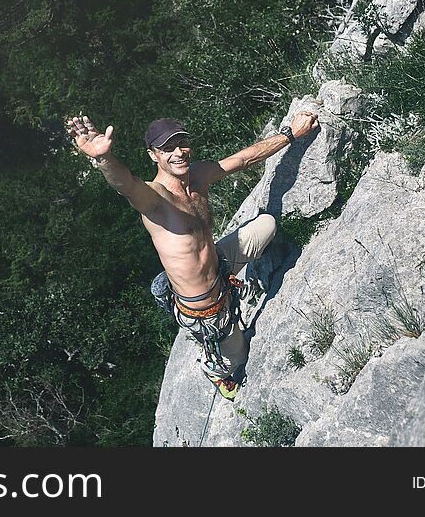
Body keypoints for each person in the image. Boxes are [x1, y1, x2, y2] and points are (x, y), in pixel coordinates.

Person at [66, 111, 319, 399]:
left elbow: (244, 159)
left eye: (181, 143)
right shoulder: (156, 199)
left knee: (267, 225)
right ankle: (214, 369)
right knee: (237, 359)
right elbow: (127, 185)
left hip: (220, 264)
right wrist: (103, 159)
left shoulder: (198, 176)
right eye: (167, 148)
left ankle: (237, 280)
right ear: (153, 156)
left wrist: (291, 135)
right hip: (205, 306)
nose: (178, 152)